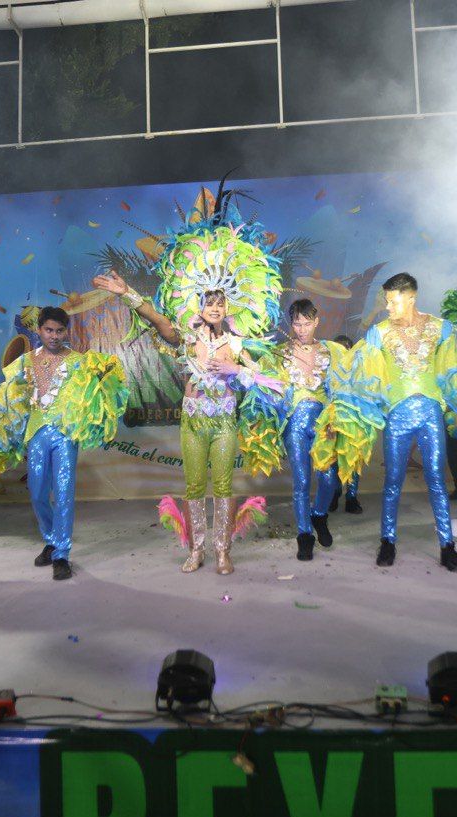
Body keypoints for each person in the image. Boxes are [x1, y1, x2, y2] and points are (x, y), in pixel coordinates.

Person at [92, 191, 282, 575]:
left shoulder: (238, 343)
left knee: (223, 486)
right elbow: (158, 320)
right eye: (209, 302)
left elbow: (270, 384)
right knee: (194, 487)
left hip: (224, 422)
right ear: (199, 306)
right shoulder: (186, 338)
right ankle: (197, 550)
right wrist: (128, 294)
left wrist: (237, 371)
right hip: (193, 422)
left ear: (228, 308)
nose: (215, 307)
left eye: (221, 303)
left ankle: (223, 551)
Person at [318, 273, 457, 572]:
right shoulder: (379, 332)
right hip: (397, 418)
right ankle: (387, 541)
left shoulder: (439, 328)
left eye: (392, 301)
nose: (388, 307)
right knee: (393, 481)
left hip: (431, 416)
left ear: (411, 298)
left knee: (436, 481)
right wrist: (337, 413)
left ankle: (447, 546)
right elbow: (356, 373)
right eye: (386, 301)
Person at [0, 307, 128, 580]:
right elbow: (10, 400)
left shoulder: (78, 362)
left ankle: (62, 553)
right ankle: (51, 540)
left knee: (63, 493)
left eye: (59, 331)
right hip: (36, 434)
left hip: (64, 435)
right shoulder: (24, 362)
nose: (54, 336)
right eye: (49, 330)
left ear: (66, 332)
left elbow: (96, 391)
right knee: (37, 492)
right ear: (39, 330)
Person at [259, 299, 350, 561]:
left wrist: (336, 418)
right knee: (301, 482)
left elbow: (343, 387)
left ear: (316, 322)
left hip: (324, 425)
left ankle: (319, 515)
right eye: (297, 324)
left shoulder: (332, 351)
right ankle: (304, 535)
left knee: (329, 479)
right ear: (291, 324)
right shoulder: (278, 354)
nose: (301, 329)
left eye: (307, 323)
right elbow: (264, 385)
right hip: (294, 425)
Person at [328, 334, 363, 515]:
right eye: (338, 348)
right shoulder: (327, 371)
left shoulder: (359, 370)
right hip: (333, 420)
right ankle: (334, 494)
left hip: (354, 421)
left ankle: (352, 497)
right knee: (333, 459)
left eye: (346, 349)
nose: (342, 352)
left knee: (353, 460)